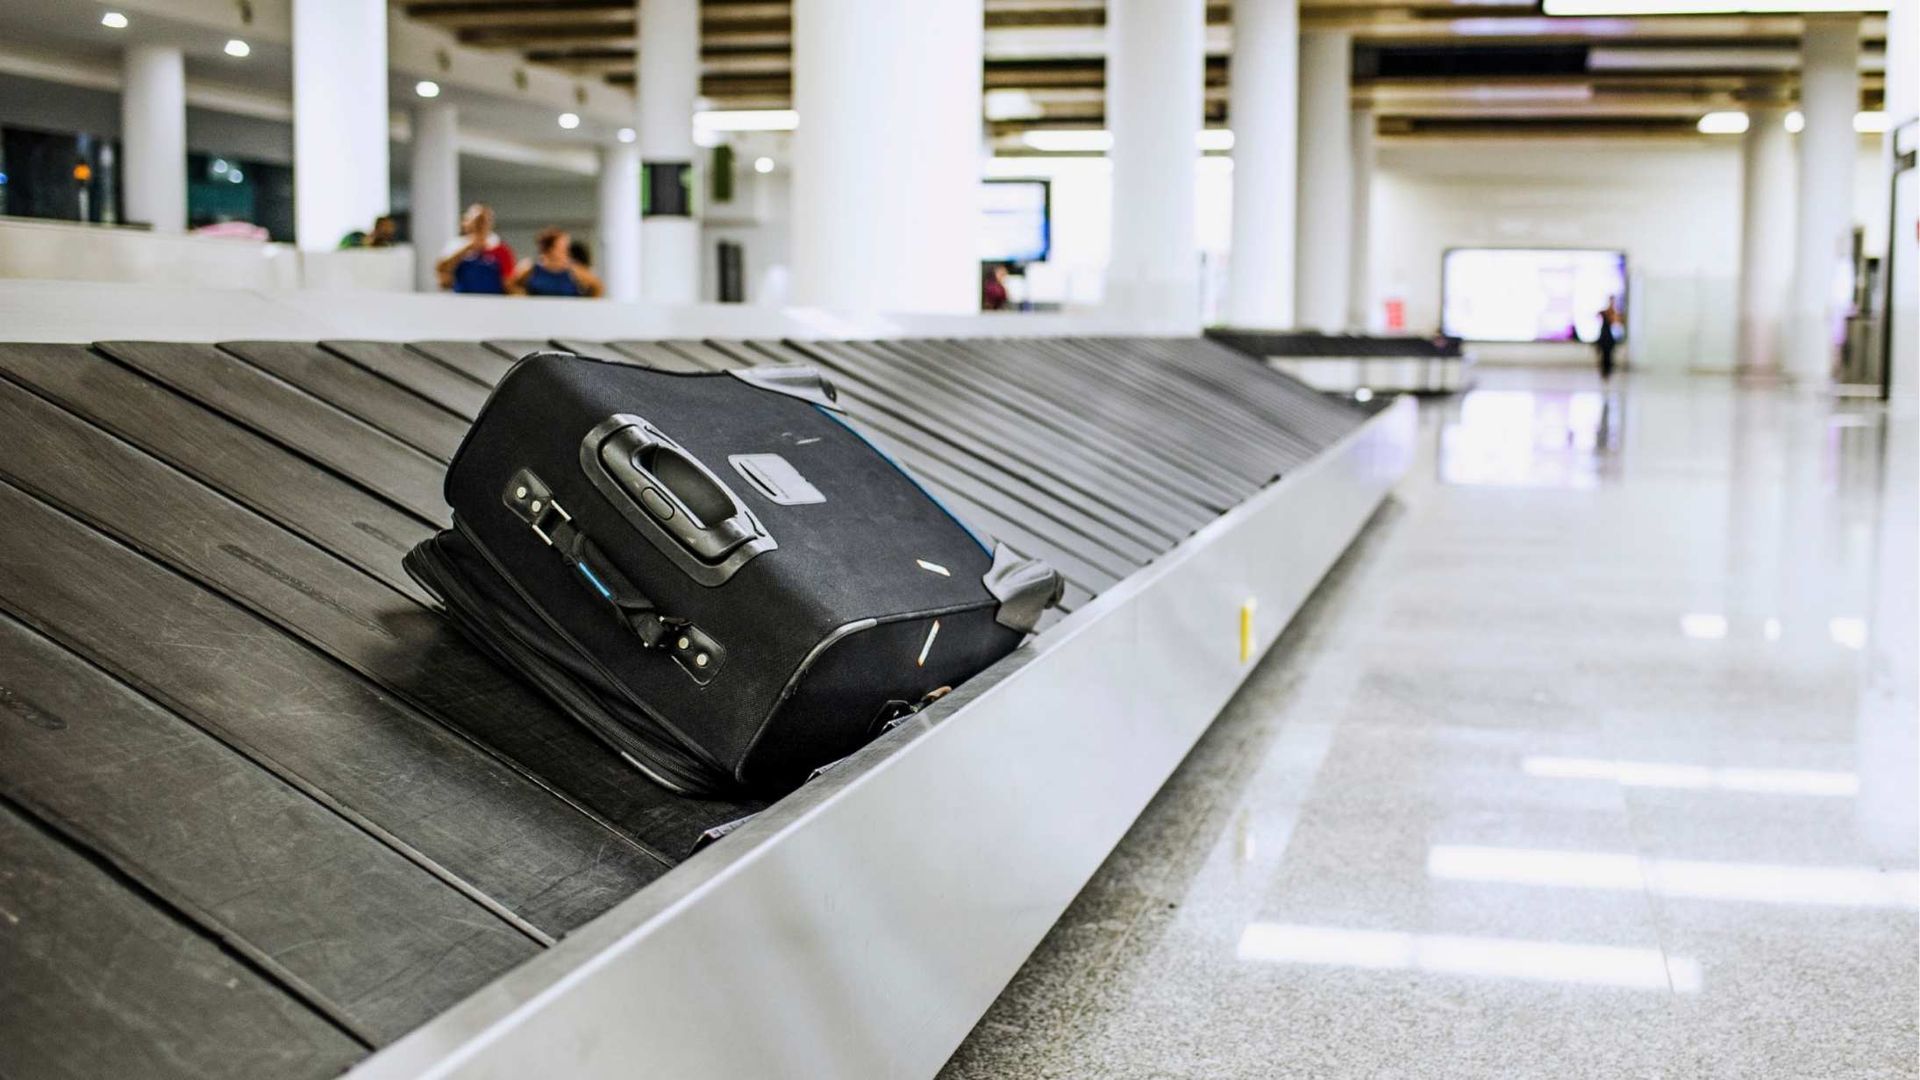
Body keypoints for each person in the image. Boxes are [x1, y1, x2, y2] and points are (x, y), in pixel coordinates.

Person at [436, 204, 517, 294]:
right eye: (477, 220)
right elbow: (441, 271)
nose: (480, 225)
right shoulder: (455, 245)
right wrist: (468, 247)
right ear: (465, 222)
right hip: (462, 301)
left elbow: (508, 282)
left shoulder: (500, 248)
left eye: (484, 221)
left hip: (492, 301)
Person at [510, 227, 604, 298]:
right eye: (562, 248)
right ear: (551, 249)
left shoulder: (575, 271)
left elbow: (597, 286)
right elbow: (511, 285)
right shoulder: (532, 269)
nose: (566, 251)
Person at [1593, 298, 1623, 381]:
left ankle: (1607, 372)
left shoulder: (1613, 312)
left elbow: (1617, 321)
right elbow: (1596, 315)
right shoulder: (1605, 312)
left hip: (1608, 337)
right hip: (1604, 336)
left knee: (1609, 356)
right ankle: (1604, 372)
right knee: (1604, 357)